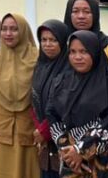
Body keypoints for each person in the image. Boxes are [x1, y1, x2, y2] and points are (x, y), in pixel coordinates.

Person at [46, 31, 108, 178]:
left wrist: (80, 149)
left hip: (103, 161)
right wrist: (65, 148)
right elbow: (51, 113)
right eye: (73, 52)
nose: (77, 57)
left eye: (84, 52)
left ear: (95, 53)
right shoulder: (61, 81)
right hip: (70, 160)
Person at [0, 13, 39, 178]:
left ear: (24, 31)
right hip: (2, 133)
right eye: (4, 29)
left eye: (14, 29)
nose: (8, 33)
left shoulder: (38, 60)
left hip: (31, 133)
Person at [31, 20, 72, 178]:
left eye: (54, 40)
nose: (48, 44)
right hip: (44, 142)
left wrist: (44, 131)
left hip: (63, 140)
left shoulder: (69, 69)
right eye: (44, 40)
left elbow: (62, 106)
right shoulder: (40, 66)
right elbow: (33, 97)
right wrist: (38, 127)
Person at [64, 0, 108, 68]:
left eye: (87, 12)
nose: (81, 16)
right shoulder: (61, 45)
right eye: (75, 11)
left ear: (95, 15)